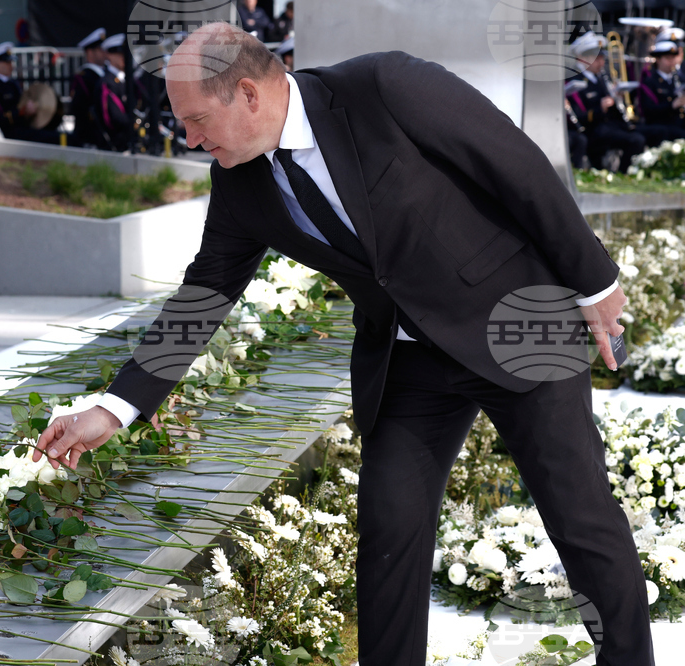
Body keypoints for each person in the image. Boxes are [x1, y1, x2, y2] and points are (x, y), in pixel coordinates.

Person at [33, 22, 654, 665]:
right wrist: (114, 408)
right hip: (409, 358)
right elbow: (204, 294)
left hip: (516, 320)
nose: (189, 139)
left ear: (247, 93)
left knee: (581, 523)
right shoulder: (240, 179)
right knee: (388, 535)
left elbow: (513, 161)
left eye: (194, 120)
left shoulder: (383, 86)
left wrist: (594, 282)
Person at [567, 32, 646, 172]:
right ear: (582, 58)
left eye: (602, 58)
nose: (601, 63)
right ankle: (620, 173)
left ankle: (624, 171)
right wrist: (600, 108)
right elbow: (579, 115)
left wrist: (617, 98)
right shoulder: (574, 81)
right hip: (592, 130)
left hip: (608, 126)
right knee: (633, 140)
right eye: (597, 58)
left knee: (639, 135)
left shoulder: (601, 78)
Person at [0, 42, 61, 144]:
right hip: (12, 130)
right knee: (54, 138)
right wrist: (20, 113)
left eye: (11, 62)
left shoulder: (13, 83)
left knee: (56, 130)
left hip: (25, 124)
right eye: (7, 62)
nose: (11, 65)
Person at [92, 33, 135, 152]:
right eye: (118, 53)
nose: (123, 57)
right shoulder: (107, 83)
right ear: (109, 55)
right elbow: (113, 118)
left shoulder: (128, 80)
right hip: (117, 143)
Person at [638, 41, 685, 137]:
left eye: (673, 58)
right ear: (658, 59)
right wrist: (672, 105)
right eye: (668, 58)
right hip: (662, 125)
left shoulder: (679, 78)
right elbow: (649, 111)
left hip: (679, 122)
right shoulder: (650, 81)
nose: (672, 62)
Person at [70, 28, 107, 147]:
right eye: (100, 49)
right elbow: (79, 109)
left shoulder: (106, 73)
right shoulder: (85, 77)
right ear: (90, 52)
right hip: (90, 136)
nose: (104, 52)